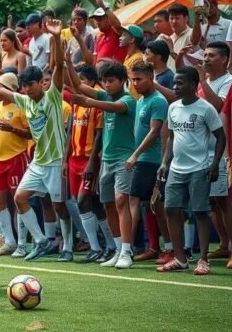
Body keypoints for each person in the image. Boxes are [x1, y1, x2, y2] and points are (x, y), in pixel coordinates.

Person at [0, 19, 70, 262]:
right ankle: (41, 240)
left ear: (41, 83)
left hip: (56, 160)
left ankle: (68, 247)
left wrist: (56, 38)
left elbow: (59, 67)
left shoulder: (52, 97)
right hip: (39, 161)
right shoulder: (24, 101)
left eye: (31, 84)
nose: (28, 89)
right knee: (20, 198)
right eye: (24, 85)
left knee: (60, 206)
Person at [157, 66, 225, 275]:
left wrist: (214, 165)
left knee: (200, 212)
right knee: (170, 209)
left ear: (194, 86)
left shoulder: (205, 109)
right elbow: (172, 137)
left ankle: (203, 260)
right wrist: (164, 162)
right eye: (174, 83)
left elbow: (221, 136)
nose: (175, 86)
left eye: (180, 83)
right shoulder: (173, 107)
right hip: (177, 168)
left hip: (199, 167)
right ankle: (180, 258)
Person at [70, 61, 135, 268]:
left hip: (124, 159)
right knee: (108, 205)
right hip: (106, 159)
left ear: (123, 81)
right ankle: (117, 249)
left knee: (121, 202)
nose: (107, 85)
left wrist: (90, 102)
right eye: (104, 81)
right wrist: (64, 59)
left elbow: (115, 107)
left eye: (111, 81)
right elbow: (78, 86)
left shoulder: (128, 100)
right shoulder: (105, 96)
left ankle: (127, 251)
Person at [62, 63, 113, 263]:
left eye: (81, 80)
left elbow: (100, 132)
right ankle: (104, 247)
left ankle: (100, 246)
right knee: (87, 203)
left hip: (90, 159)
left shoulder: (97, 100)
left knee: (85, 200)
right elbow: (70, 132)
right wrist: (65, 160)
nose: (77, 84)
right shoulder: (77, 101)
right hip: (74, 159)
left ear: (91, 82)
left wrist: (92, 162)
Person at [124, 62, 168, 268]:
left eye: (139, 79)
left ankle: (126, 249)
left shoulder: (158, 101)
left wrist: (135, 155)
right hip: (143, 159)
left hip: (150, 160)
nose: (135, 83)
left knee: (133, 200)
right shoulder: (141, 100)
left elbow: (154, 132)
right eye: (132, 79)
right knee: (153, 205)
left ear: (151, 79)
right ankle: (163, 247)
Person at [197, 41, 232, 266]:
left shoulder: (229, 82)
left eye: (211, 56)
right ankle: (223, 244)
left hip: (219, 150)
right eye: (205, 55)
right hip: (202, 150)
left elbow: (220, 106)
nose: (206, 59)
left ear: (224, 59)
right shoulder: (206, 82)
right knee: (211, 201)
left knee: (224, 200)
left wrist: (201, 80)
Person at [0, 73, 31, 257]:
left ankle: (22, 243)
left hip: (16, 157)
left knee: (18, 200)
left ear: (11, 89)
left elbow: (31, 133)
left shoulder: (21, 105)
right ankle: (9, 240)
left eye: (2, 87)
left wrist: (13, 129)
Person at [91, 0, 126, 64]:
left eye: (100, 19)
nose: (97, 22)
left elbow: (117, 25)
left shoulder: (116, 32)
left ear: (108, 18)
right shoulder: (100, 37)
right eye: (96, 19)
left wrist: (103, 7)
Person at [168, 4, 198, 70]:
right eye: (171, 18)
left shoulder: (191, 34)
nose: (174, 21)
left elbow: (187, 62)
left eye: (177, 18)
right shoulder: (170, 38)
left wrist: (171, 51)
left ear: (186, 19)